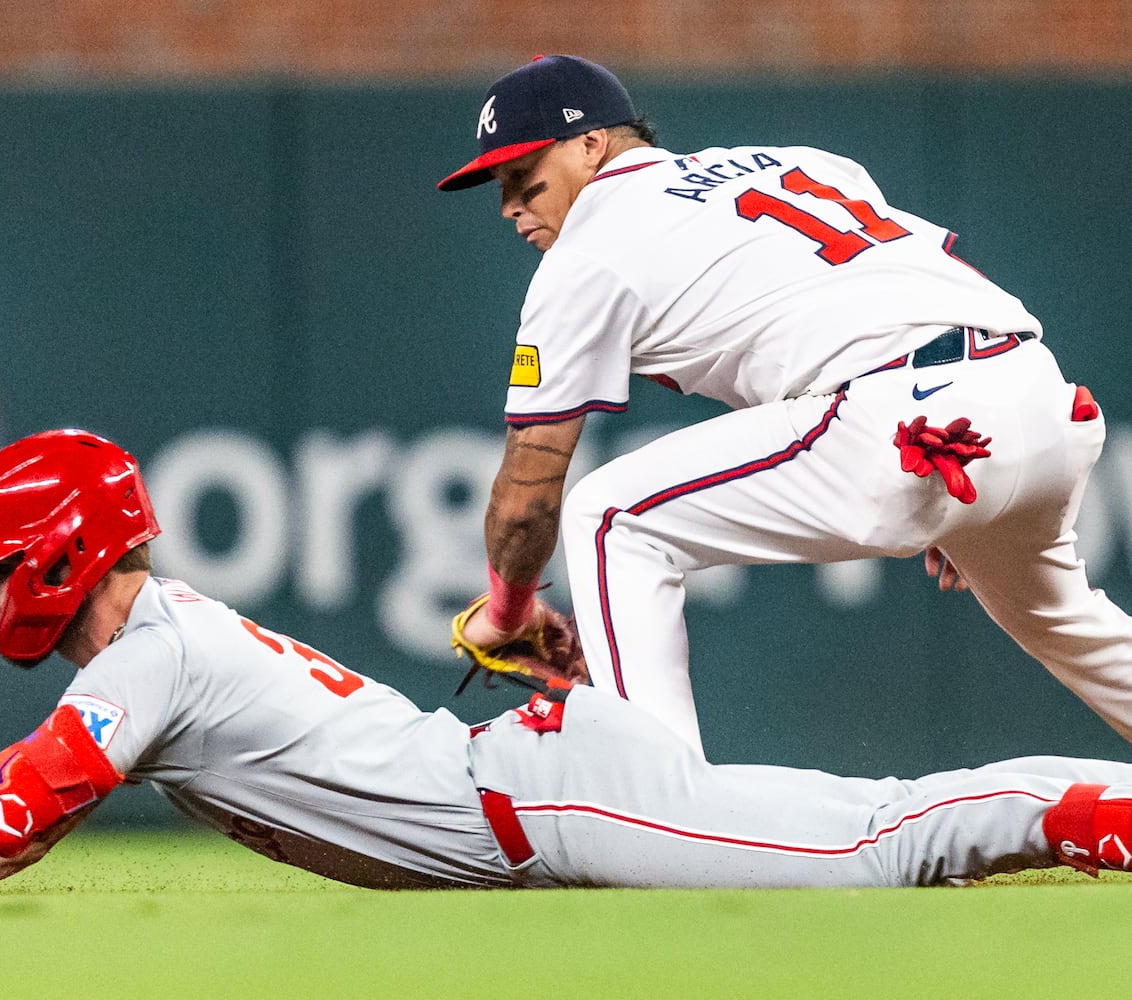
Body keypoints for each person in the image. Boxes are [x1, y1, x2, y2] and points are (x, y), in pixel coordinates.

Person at [0, 430, 1132, 897]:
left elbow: (7, 813)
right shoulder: (157, 646)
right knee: (863, 838)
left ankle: (1089, 806)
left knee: (872, 847)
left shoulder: (151, 651)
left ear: (63, 553)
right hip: (522, 792)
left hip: (542, 804)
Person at [439, 55, 1132, 756]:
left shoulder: (584, 256)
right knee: (1067, 623)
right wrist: (987, 494)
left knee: (610, 516)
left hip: (909, 419)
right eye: (500, 186)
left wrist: (508, 612)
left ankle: (660, 815)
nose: (510, 205)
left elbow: (529, 496)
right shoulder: (800, 161)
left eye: (524, 178)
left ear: (591, 143)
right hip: (1038, 401)